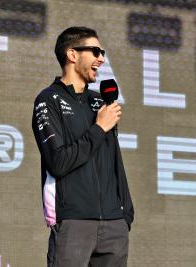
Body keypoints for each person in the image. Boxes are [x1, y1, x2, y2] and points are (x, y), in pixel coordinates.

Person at [32, 26, 134, 267]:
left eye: (102, 52)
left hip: (114, 225)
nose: (101, 58)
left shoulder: (100, 101)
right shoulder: (48, 100)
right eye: (95, 51)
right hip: (73, 223)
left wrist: (125, 215)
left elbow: (114, 161)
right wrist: (99, 128)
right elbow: (58, 162)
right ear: (72, 54)